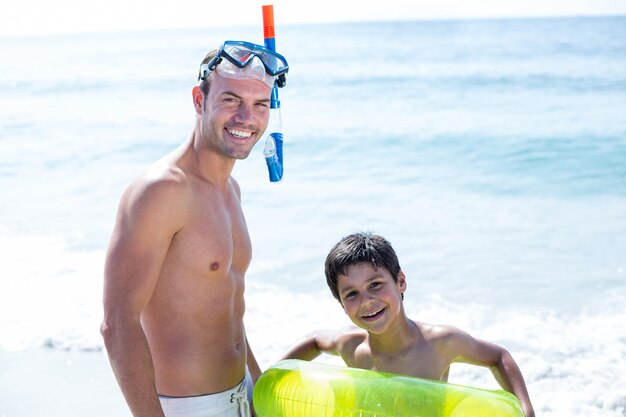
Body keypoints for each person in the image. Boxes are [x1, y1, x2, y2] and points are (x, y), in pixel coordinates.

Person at [101, 40, 289, 417]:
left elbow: (226, 308)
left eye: (260, 104)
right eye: (231, 100)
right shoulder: (162, 191)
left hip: (242, 396)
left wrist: (256, 392)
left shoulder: (231, 190)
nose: (246, 118)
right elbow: (117, 324)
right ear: (199, 101)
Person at [281, 231, 535, 417]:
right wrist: (270, 378)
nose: (367, 301)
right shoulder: (351, 346)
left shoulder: (440, 343)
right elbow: (315, 340)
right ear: (341, 303)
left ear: (400, 282)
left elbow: (498, 357)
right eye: (352, 294)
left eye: (375, 285)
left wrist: (526, 409)